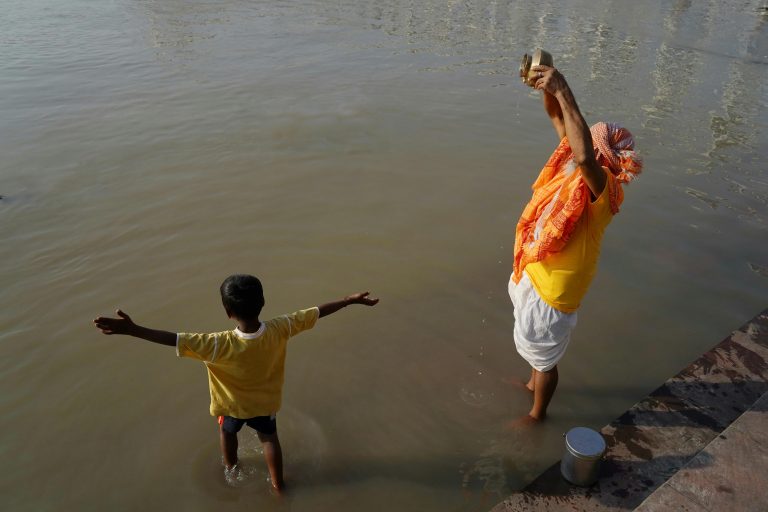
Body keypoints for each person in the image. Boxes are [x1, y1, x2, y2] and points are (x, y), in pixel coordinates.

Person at [93, 274, 378, 494]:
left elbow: (173, 339)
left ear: (227, 311)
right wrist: (347, 300)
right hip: (264, 404)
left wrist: (132, 330)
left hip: (230, 407)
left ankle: (230, 468)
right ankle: (278, 486)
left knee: (227, 433)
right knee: (269, 439)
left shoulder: (214, 344)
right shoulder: (281, 328)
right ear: (263, 302)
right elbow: (316, 312)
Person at [509, 64, 642, 423]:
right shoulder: (572, 161)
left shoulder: (606, 192)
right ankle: (530, 385)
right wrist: (545, 87)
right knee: (535, 348)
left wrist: (565, 89)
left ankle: (538, 415)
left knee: (546, 357)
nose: (576, 145)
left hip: (556, 290)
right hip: (535, 269)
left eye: (589, 144)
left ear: (605, 157)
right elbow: (557, 115)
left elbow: (583, 156)